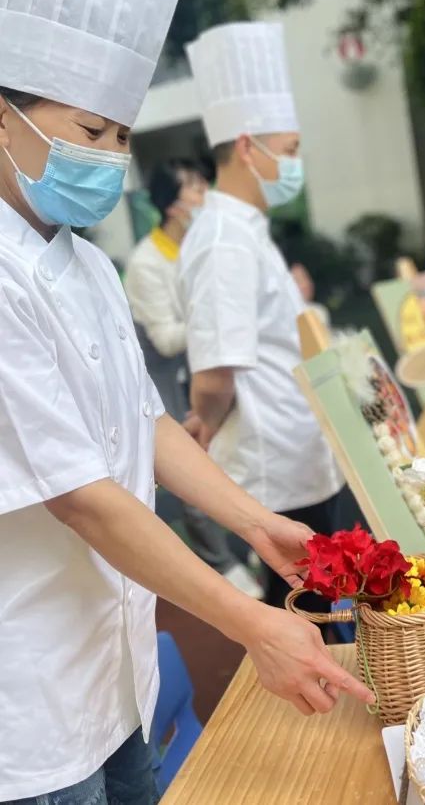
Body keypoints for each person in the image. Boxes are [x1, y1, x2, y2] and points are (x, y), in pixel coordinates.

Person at [0, 0, 372, 803]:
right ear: (4, 120)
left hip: (117, 655)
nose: (110, 158)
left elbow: (147, 422)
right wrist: (250, 620)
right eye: (91, 133)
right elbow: (84, 499)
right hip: (28, 682)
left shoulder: (89, 267)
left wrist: (252, 520)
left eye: (122, 137)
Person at [180, 23, 350, 618]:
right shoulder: (224, 238)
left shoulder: (246, 228)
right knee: (306, 623)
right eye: (292, 147)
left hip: (299, 454)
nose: (297, 162)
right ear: (249, 148)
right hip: (276, 468)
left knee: (325, 617)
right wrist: (205, 422)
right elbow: (215, 373)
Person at [125, 159, 263, 597]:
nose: (202, 196)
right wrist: (221, 318)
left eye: (204, 186)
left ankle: (246, 548)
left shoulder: (206, 245)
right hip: (169, 376)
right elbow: (166, 338)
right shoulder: (146, 262)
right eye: (193, 189)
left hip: (207, 364)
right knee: (189, 462)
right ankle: (219, 561)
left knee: (231, 456)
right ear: (170, 204)